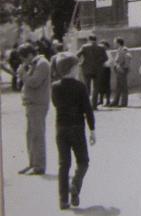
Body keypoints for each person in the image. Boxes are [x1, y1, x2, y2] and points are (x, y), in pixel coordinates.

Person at [51, 52, 96, 210]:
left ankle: (63, 201)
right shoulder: (80, 86)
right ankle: (75, 185)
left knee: (63, 165)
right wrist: (92, 129)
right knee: (83, 162)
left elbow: (56, 105)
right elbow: (87, 110)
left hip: (61, 128)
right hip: (77, 128)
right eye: (76, 66)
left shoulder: (55, 87)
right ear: (71, 68)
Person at [17, 43, 51, 175]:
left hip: (38, 104)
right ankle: (32, 163)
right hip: (31, 103)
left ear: (30, 55)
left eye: (24, 58)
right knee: (31, 135)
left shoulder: (42, 64)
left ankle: (39, 166)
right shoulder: (34, 64)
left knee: (38, 135)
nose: (23, 61)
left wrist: (23, 74)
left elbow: (34, 82)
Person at [76, 34, 108, 110]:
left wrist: (81, 62)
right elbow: (105, 58)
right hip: (98, 70)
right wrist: (99, 63)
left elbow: (77, 55)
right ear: (96, 39)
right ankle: (94, 105)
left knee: (87, 87)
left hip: (87, 69)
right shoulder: (101, 47)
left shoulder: (85, 47)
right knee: (96, 88)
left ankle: (87, 105)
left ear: (89, 39)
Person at [111, 37, 131, 107]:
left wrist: (121, 67)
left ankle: (124, 103)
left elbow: (125, 59)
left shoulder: (123, 50)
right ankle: (115, 101)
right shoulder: (120, 50)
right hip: (119, 70)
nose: (114, 44)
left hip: (121, 70)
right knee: (118, 87)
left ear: (118, 43)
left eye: (115, 42)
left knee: (123, 87)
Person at [97, 40, 112, 107]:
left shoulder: (108, 52)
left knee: (106, 85)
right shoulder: (99, 52)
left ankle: (108, 100)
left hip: (106, 69)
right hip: (100, 70)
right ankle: (101, 100)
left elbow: (110, 61)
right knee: (100, 85)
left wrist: (103, 64)